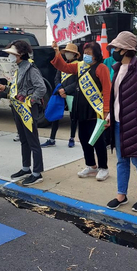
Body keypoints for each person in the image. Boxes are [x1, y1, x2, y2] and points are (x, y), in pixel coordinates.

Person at [51, 41, 111, 181]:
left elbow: (107, 90)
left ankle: (103, 167)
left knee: (97, 140)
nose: (86, 56)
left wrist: (106, 111)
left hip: (95, 110)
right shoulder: (80, 66)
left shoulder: (101, 68)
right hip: (80, 109)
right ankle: (91, 165)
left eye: (89, 54)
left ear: (96, 55)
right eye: (85, 53)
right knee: (84, 139)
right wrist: (56, 51)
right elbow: (64, 67)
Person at [106, 32, 137, 212]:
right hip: (118, 122)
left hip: (134, 124)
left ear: (126, 50)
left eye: (116, 48)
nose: (114, 51)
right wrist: (111, 115)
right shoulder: (117, 68)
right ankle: (121, 194)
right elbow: (117, 97)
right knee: (121, 160)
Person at [0, 40, 47, 185]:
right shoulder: (19, 68)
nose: (11, 57)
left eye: (13, 54)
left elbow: (41, 88)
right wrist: (4, 88)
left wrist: (30, 101)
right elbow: (16, 90)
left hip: (27, 108)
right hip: (18, 108)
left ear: (21, 54)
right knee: (24, 139)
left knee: (33, 140)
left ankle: (37, 173)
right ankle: (26, 168)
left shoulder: (31, 69)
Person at [41, 42, 79, 148]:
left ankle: (71, 138)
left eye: (70, 52)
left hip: (72, 94)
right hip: (60, 92)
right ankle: (52, 138)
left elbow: (77, 81)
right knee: (55, 115)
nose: (68, 54)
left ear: (75, 54)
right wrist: (60, 89)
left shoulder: (78, 65)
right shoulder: (63, 64)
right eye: (67, 52)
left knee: (73, 117)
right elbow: (57, 77)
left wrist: (66, 90)